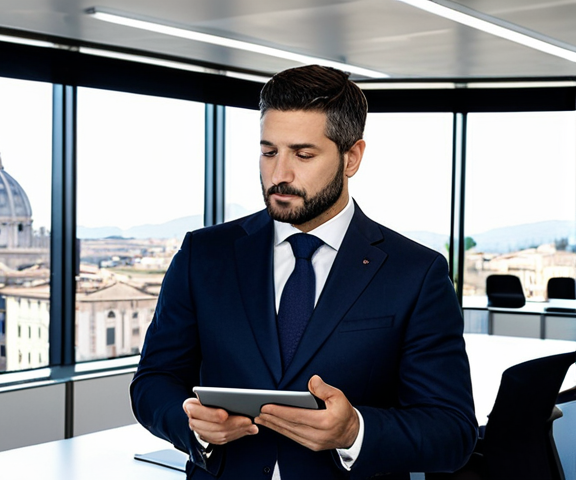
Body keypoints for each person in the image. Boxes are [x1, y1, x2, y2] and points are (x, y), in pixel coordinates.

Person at [130, 64, 477, 480]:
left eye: (303, 154)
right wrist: (189, 421)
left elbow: (452, 433)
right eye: (269, 152)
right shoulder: (204, 255)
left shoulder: (416, 273)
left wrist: (355, 431)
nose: (280, 175)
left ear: (351, 157)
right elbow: (154, 380)